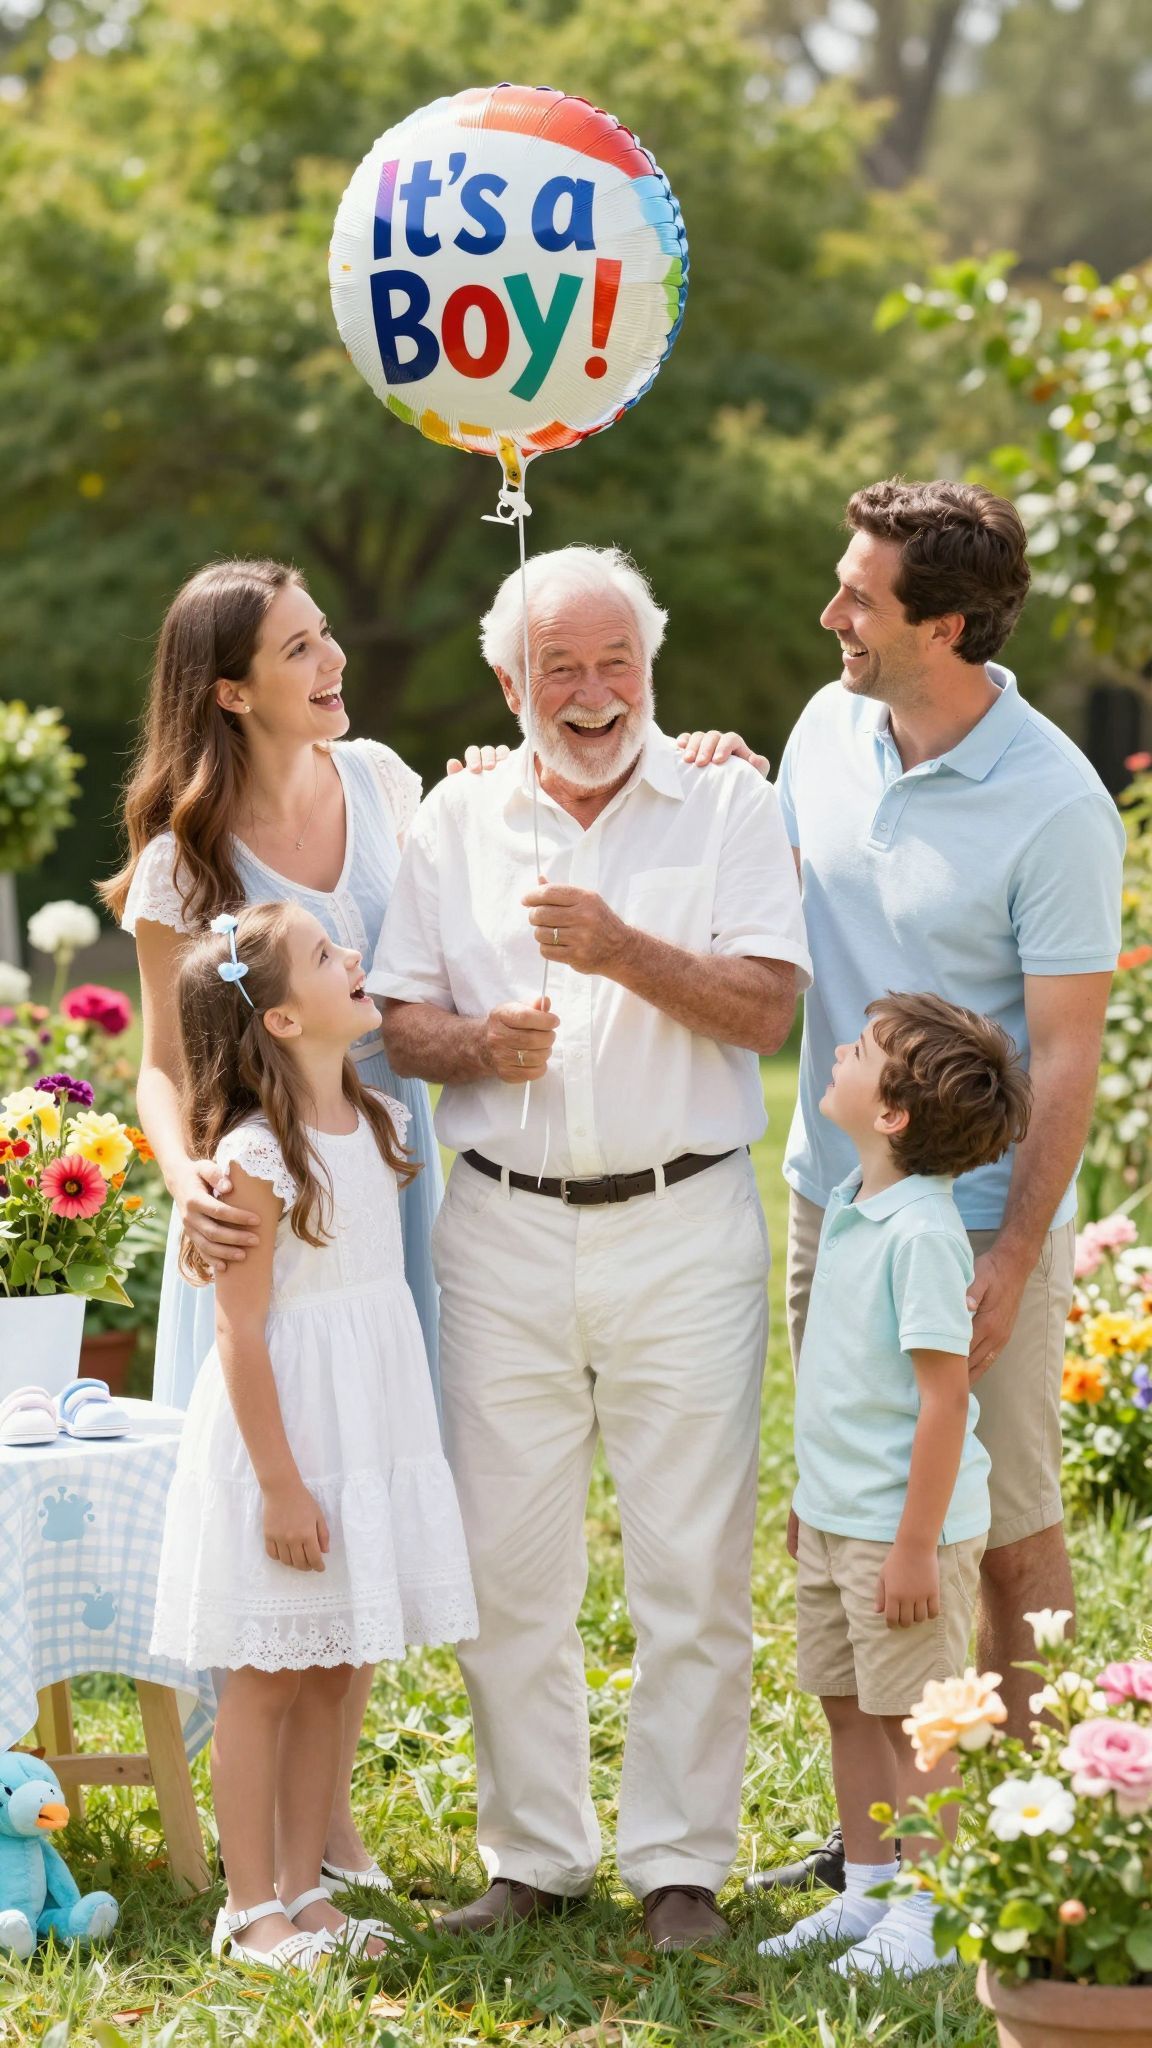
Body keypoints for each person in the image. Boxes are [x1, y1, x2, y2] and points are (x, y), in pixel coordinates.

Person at [371, 543, 812, 1951]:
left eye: (617, 659)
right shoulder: (454, 819)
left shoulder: (729, 800)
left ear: (652, 667)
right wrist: (476, 1044)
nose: (593, 689)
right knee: (509, 1570)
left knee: (692, 1565)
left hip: (685, 1223)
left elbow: (768, 1010)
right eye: (558, 666)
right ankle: (535, 1855)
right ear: (510, 686)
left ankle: (681, 1863)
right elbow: (398, 1020)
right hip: (501, 1225)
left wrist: (621, 947)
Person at [749, 477, 1124, 1901]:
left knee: (1007, 1534)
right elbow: (756, 889)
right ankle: (884, 1849)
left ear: (947, 626)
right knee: (851, 1516)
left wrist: (1016, 1252)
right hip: (832, 1202)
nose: (829, 614)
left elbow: (1070, 1053)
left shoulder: (1055, 804)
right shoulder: (823, 729)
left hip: (975, 1223)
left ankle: (1023, 1846)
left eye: (859, 597)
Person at [102, 556, 448, 1892]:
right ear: (232, 690)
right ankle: (267, 1860)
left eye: (326, 634)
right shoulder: (180, 860)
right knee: (280, 1508)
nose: (332, 660)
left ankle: (328, 1824)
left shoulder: (385, 785)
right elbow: (160, 1064)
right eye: (299, 648)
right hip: (260, 1217)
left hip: (378, 1194)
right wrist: (186, 1175)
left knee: (364, 1491)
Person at [149, 902, 477, 1973]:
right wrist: (282, 1486)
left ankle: (305, 1888)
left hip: (361, 1432)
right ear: (283, 1019)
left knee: (336, 1664)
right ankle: (250, 1906)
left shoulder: (374, 1119)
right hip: (283, 1444)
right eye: (328, 955)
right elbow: (241, 1332)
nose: (355, 957)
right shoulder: (256, 1153)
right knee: (267, 1675)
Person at [758, 993, 1030, 1977]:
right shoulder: (854, 1203)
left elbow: (945, 1401)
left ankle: (930, 1903)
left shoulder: (920, 1234)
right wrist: (814, 1499)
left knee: (917, 1724)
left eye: (861, 1049)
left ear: (892, 1114)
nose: (838, 1049)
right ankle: (869, 1887)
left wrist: (915, 1545)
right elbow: (847, 1382)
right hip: (841, 1518)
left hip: (902, 1534)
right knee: (846, 1703)